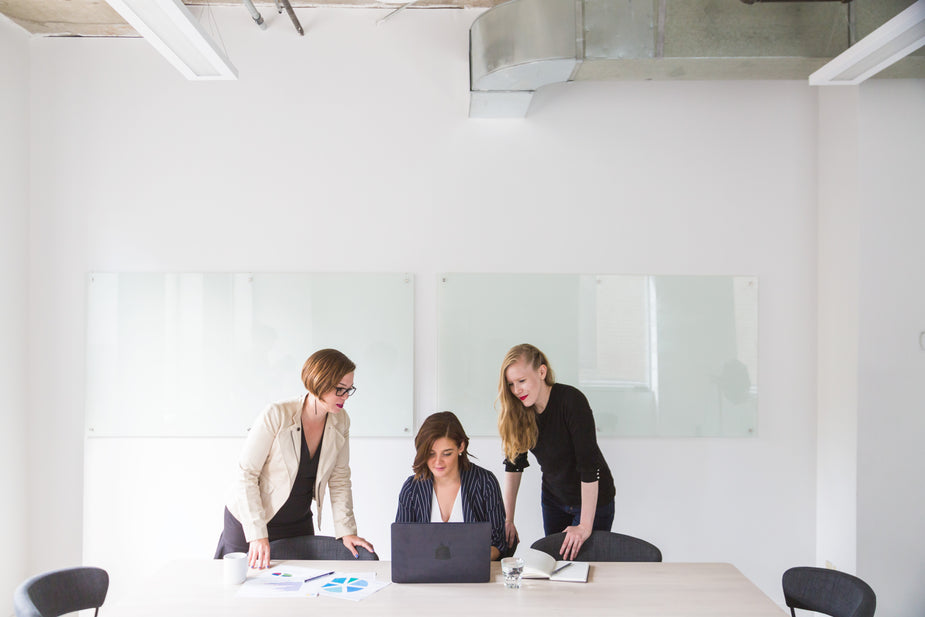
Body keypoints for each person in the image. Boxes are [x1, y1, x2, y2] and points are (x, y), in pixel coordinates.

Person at [215, 348, 374, 568]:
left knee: (302, 589)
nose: (346, 397)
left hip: (297, 521)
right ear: (319, 384)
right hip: (250, 519)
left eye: (349, 390)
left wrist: (346, 531)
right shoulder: (277, 414)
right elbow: (246, 474)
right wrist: (257, 534)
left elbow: (339, 479)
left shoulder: (341, 421)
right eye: (340, 390)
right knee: (242, 588)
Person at [498, 343, 615, 561]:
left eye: (522, 381)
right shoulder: (519, 413)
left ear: (541, 372)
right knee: (553, 565)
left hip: (592, 501)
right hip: (554, 499)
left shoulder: (571, 401)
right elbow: (514, 465)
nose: (517, 390)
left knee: (585, 568)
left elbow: (589, 467)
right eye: (511, 384)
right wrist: (507, 519)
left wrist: (584, 526)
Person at [395, 411, 507, 560]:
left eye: (447, 453)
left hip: (473, 578)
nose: (438, 462)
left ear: (461, 446)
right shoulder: (412, 488)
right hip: (425, 578)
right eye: (431, 453)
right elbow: (402, 545)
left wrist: (466, 559)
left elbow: (498, 543)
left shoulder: (485, 483)